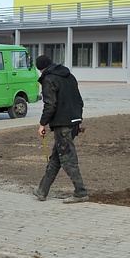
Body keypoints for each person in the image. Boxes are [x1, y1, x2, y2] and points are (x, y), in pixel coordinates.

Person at [33, 55, 89, 203]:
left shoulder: (48, 79)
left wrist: (42, 124)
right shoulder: (69, 76)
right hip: (74, 123)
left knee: (67, 158)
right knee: (57, 157)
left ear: (40, 68)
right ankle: (42, 190)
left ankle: (81, 192)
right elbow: (79, 101)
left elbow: (50, 104)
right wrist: (78, 120)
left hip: (62, 124)